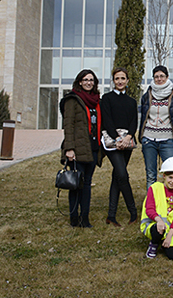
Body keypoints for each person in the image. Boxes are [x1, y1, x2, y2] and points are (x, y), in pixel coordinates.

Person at [60, 69, 102, 228]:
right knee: (76, 185)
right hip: (77, 149)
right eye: (85, 80)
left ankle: (85, 218)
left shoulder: (96, 100)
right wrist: (69, 149)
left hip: (92, 148)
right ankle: (73, 218)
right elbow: (68, 125)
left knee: (87, 184)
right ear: (79, 82)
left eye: (91, 80)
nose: (88, 82)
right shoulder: (72, 100)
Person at [100, 67, 139, 227]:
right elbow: (107, 120)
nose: (120, 81)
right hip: (112, 142)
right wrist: (117, 139)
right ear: (113, 81)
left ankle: (111, 215)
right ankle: (133, 211)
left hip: (127, 141)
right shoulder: (107, 98)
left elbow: (133, 122)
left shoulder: (131, 101)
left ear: (127, 81)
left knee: (117, 177)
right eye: (117, 78)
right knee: (122, 175)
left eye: (123, 78)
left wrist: (127, 137)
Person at [139, 65, 173, 190]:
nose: (159, 79)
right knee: (151, 175)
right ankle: (152, 205)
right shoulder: (147, 95)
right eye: (156, 76)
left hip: (167, 139)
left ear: (167, 77)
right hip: (149, 139)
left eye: (162, 76)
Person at [140, 157, 173, 259]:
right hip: (154, 225)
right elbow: (149, 209)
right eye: (170, 177)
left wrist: (169, 236)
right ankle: (154, 244)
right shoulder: (155, 188)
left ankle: (164, 243)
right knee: (158, 229)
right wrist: (159, 221)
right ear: (164, 176)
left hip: (168, 230)